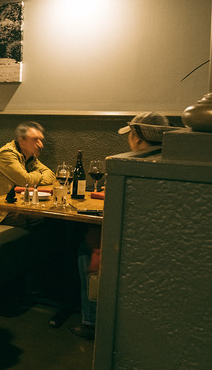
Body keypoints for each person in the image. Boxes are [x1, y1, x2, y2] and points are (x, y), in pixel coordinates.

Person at [70, 111, 174, 340]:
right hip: (163, 244)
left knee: (87, 248)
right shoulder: (168, 161)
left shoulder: (131, 165)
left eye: (130, 135)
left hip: (135, 246)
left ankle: (91, 322)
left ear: (136, 137)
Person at [0, 121, 56, 223]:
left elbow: (51, 175)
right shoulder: (7, 154)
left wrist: (33, 178)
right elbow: (26, 181)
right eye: (35, 139)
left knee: (51, 216)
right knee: (43, 219)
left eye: (41, 140)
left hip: (13, 204)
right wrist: (38, 175)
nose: (41, 145)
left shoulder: (29, 156)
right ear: (22, 141)